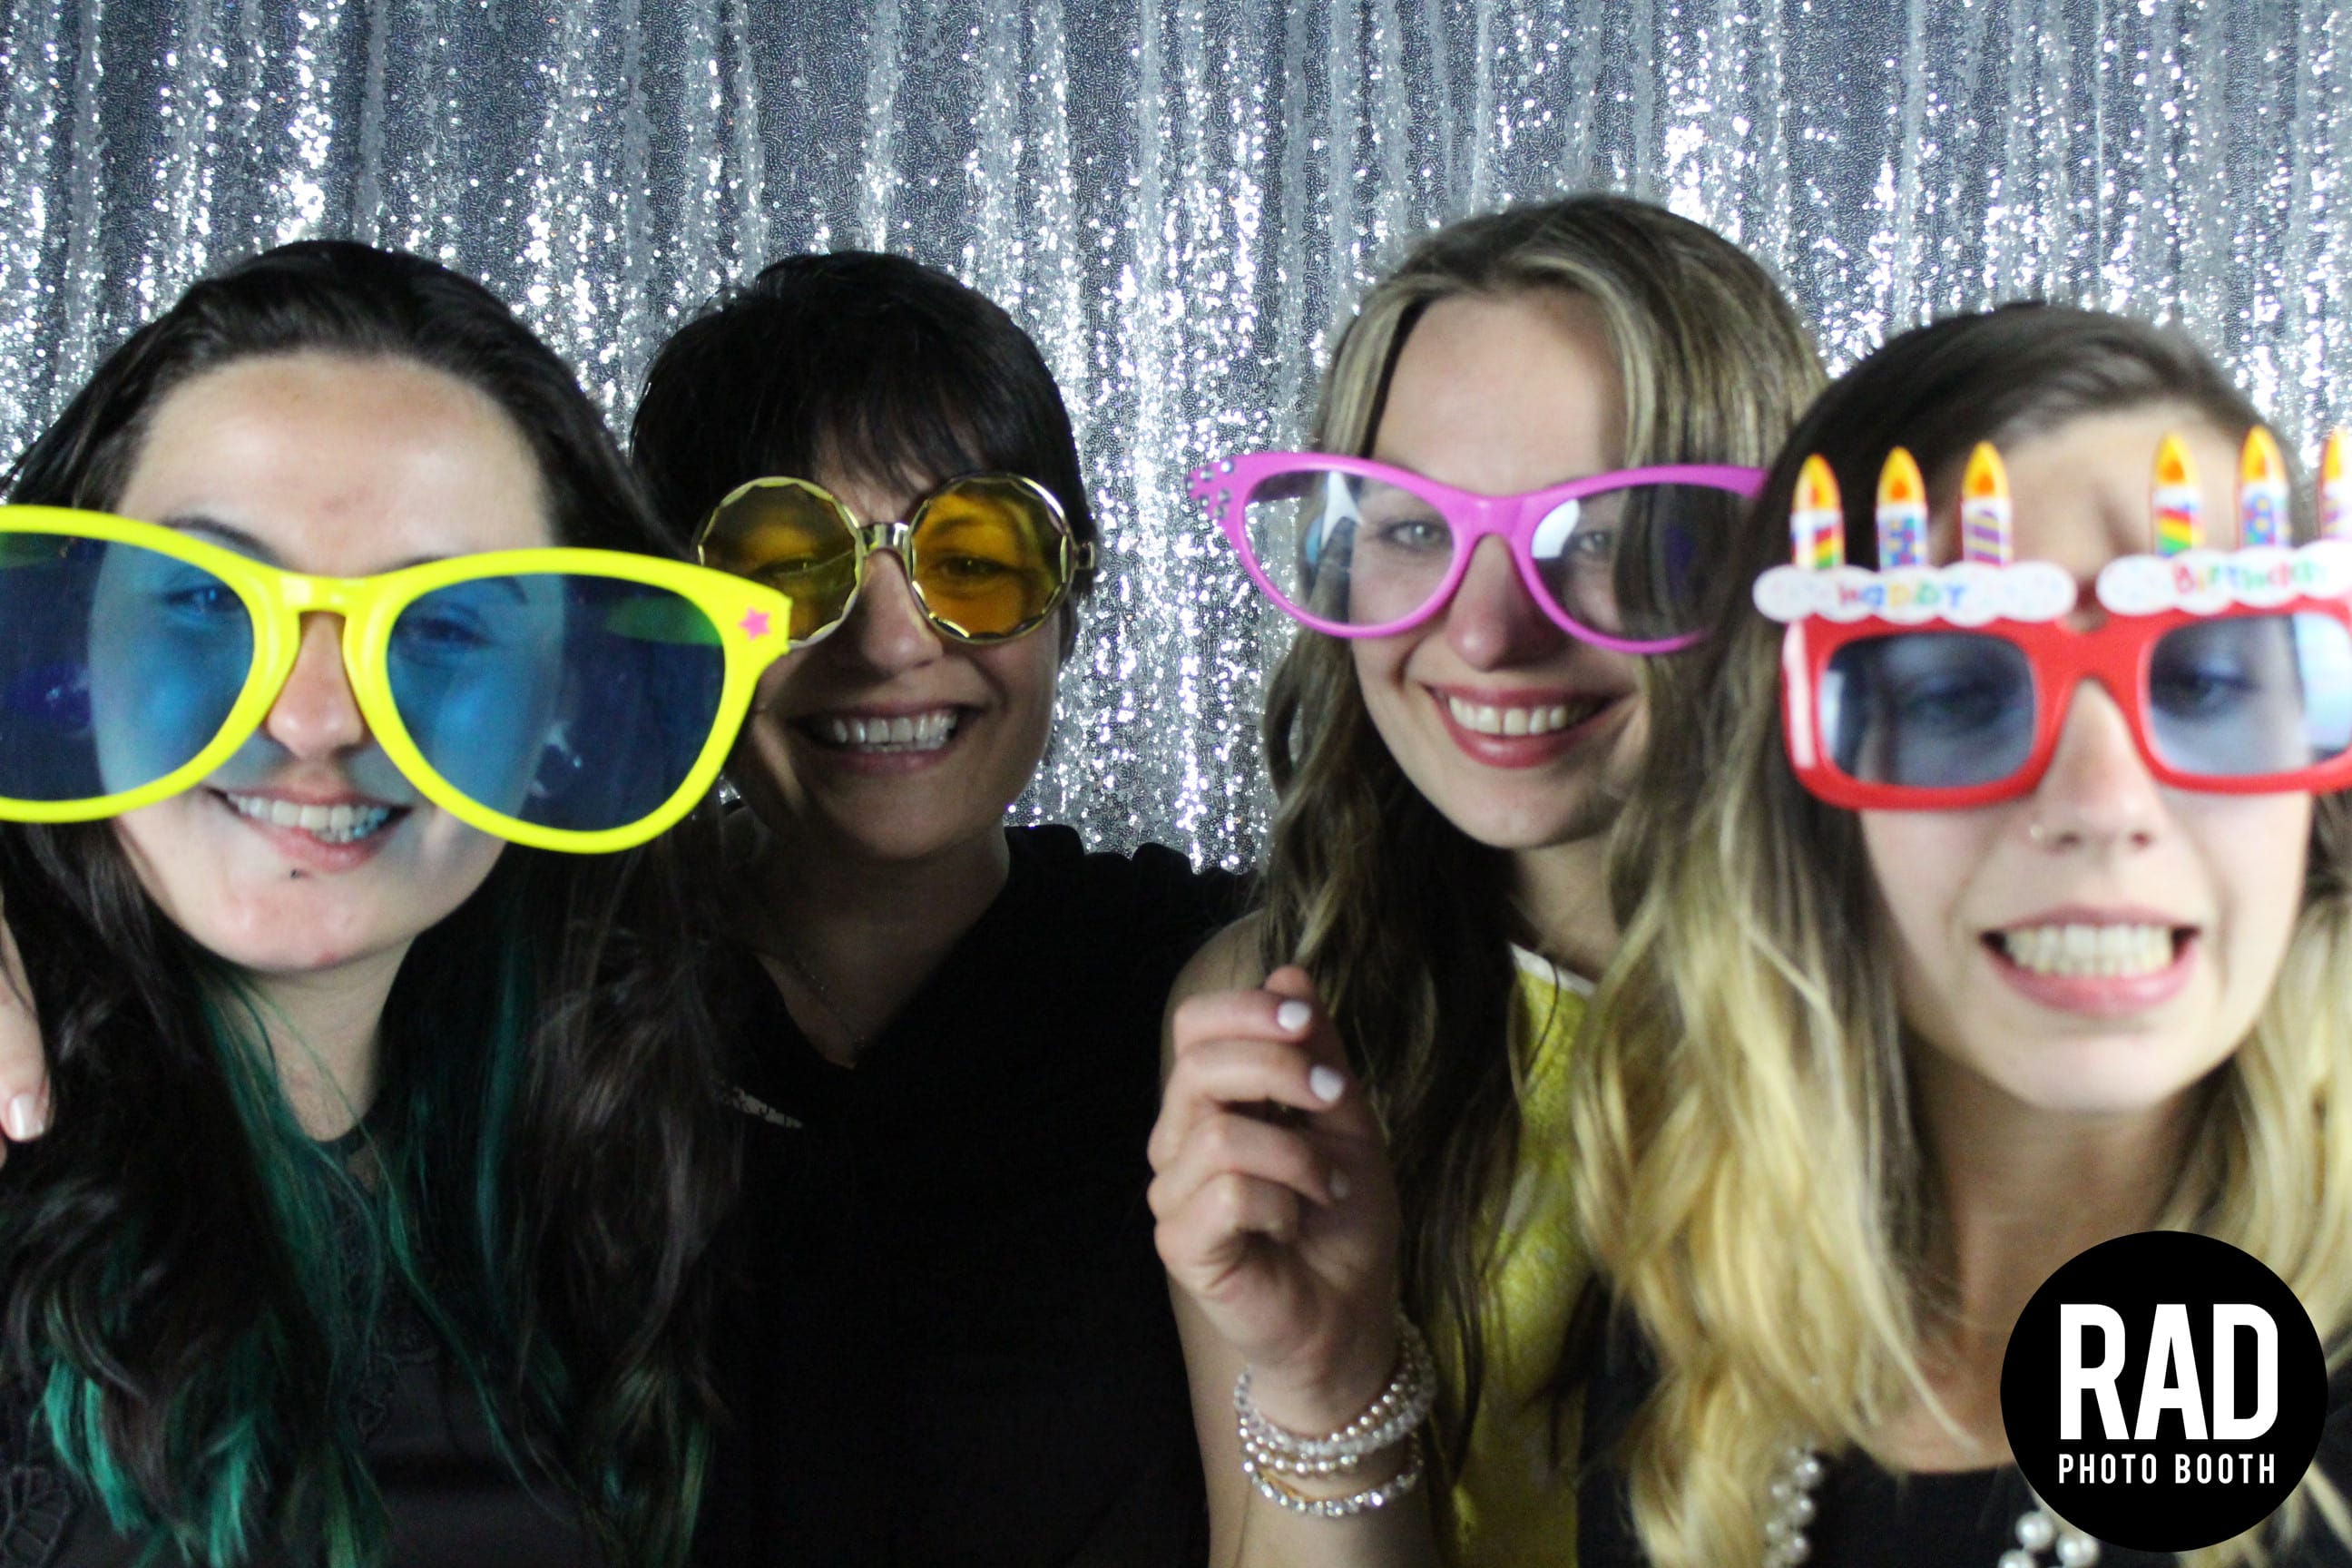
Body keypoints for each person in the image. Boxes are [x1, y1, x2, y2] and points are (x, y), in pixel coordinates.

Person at [1571, 304, 2352, 1566]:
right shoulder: (1695, 1294)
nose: (2103, 803)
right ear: (1802, 807)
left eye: (2205, 679)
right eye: (1956, 692)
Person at [0, 240, 734, 1566]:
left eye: (443, 625)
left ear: (560, 703)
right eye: (203, 599)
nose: (315, 718)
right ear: (76, 639)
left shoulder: (612, 1184)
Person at [1146, 193, 1825, 1565]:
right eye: (1411, 527)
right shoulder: (1282, 1015)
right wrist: (1327, 1380)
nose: (1488, 632)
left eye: (1605, 532)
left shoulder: (1933, 1007)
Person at [630, 250, 1243, 1566]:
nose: (891, 642)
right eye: (790, 567)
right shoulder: (555, 1006)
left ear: (1070, 596)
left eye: (972, 556)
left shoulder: (1198, 987)